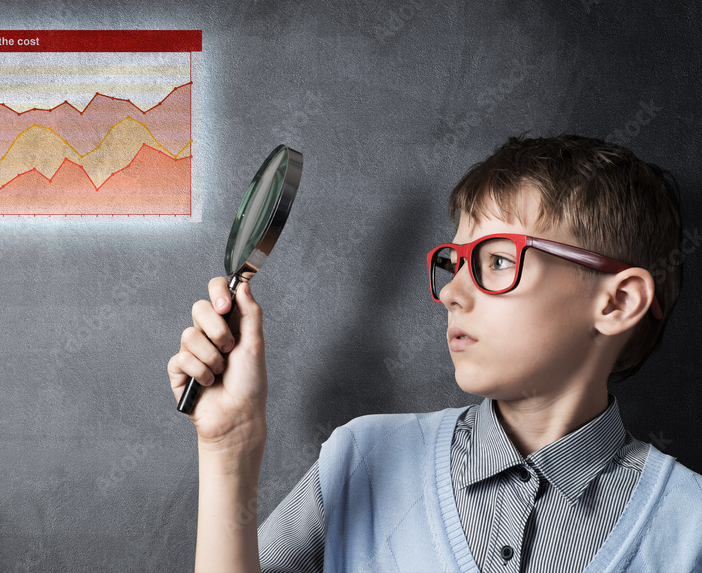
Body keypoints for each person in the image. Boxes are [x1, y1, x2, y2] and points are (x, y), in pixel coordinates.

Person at [167, 135, 702, 572]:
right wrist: (228, 451)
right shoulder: (363, 457)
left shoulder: (689, 524)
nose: (450, 293)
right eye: (454, 263)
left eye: (495, 261)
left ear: (618, 302)